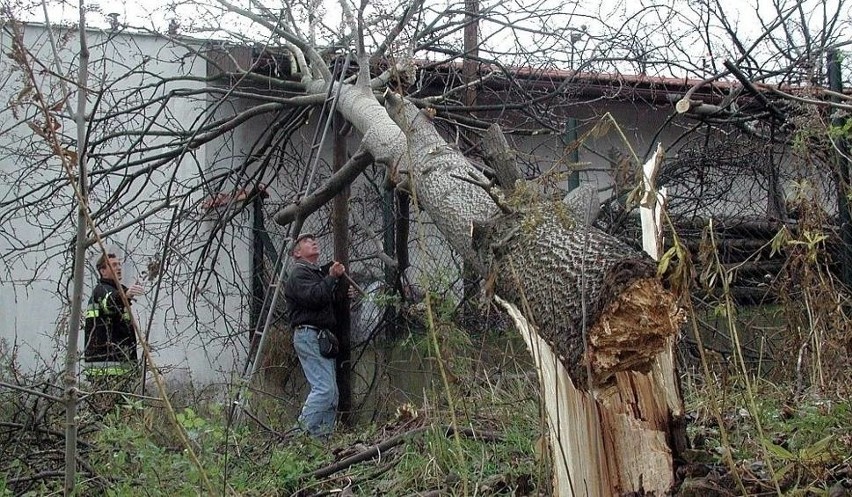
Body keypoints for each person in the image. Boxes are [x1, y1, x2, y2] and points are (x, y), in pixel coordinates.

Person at [284, 233, 346, 438]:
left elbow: (325, 302)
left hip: (320, 337)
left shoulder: (315, 274)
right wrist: (332, 277)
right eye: (305, 241)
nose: (313, 241)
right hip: (308, 335)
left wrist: (340, 292)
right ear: (296, 252)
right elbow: (315, 297)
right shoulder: (298, 274)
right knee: (324, 391)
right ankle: (294, 439)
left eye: (313, 239)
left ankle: (320, 446)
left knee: (332, 395)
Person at [83, 253, 145, 399]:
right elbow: (109, 302)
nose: (118, 267)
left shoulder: (119, 291)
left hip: (120, 365)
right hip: (106, 367)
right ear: (102, 271)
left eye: (119, 264)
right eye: (113, 265)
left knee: (123, 415)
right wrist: (124, 296)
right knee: (107, 411)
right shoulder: (101, 290)